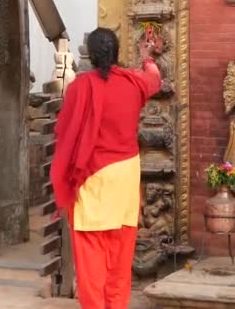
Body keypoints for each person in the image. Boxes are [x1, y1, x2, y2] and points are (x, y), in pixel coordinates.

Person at [50, 27, 161, 309]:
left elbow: (65, 131)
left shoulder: (79, 87)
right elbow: (154, 80)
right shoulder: (133, 83)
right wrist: (146, 57)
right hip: (124, 181)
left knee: (91, 267)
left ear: (90, 54)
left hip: (92, 181)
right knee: (120, 264)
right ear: (116, 52)